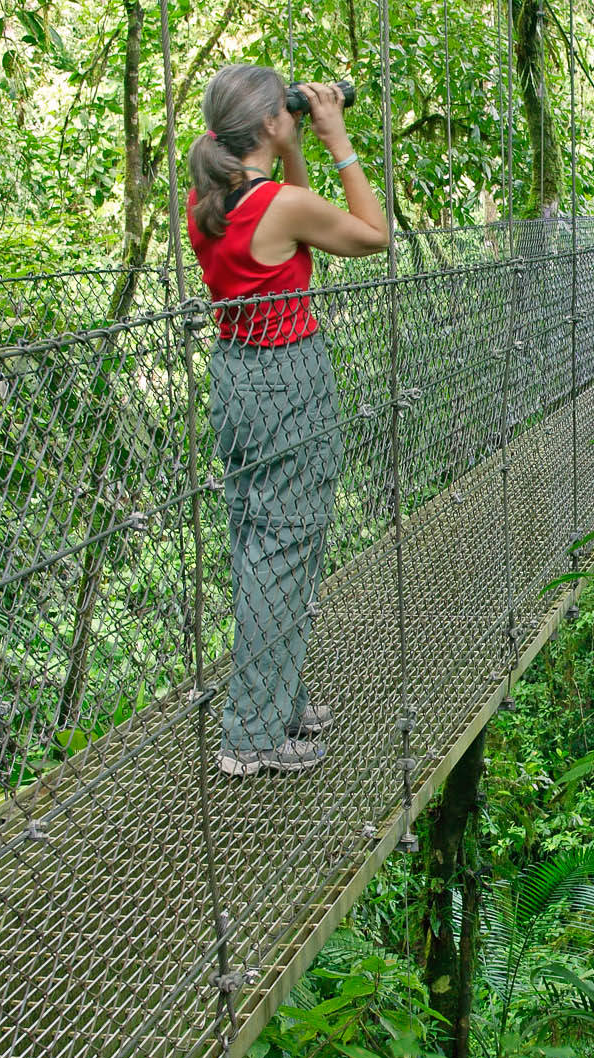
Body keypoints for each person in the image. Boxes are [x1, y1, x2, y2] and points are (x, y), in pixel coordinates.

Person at [186, 65, 390, 776]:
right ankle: (251, 736)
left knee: (261, 545)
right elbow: (372, 234)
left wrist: (295, 137)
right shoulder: (276, 206)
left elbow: (292, 201)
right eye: (290, 109)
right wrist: (338, 142)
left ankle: (277, 699)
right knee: (285, 547)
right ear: (272, 123)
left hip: (236, 378)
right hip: (288, 383)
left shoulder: (210, 198)